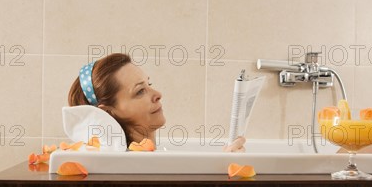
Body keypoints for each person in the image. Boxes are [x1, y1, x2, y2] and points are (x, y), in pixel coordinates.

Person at [68, 53, 245, 151]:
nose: (158, 94)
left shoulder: (153, 159)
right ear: (108, 112)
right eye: (139, 91)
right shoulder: (132, 169)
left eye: (149, 84)